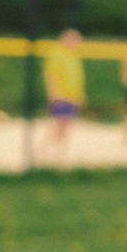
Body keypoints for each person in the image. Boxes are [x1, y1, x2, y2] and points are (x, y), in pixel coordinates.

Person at [42, 28, 88, 161]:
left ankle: (58, 154)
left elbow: (77, 77)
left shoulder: (73, 55)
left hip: (72, 96)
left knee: (65, 126)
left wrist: (79, 95)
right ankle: (46, 153)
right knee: (58, 125)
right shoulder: (57, 52)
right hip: (62, 95)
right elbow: (51, 75)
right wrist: (54, 93)